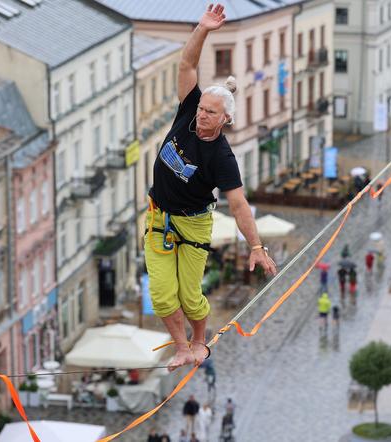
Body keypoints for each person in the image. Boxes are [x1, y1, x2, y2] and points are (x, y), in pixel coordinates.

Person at [145, 3, 277, 371]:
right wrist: (202, 29)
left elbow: (238, 205)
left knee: (189, 296)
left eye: (211, 113)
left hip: (193, 223)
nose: (202, 115)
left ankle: (199, 341)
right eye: (202, 108)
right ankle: (181, 347)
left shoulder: (221, 156)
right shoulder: (189, 109)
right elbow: (186, 66)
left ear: (226, 119)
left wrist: (256, 246)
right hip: (159, 216)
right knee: (161, 294)